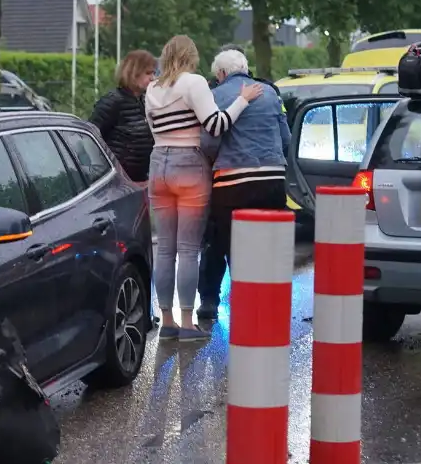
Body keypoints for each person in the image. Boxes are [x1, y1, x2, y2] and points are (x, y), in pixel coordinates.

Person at [145, 35, 263, 341]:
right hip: (189, 166)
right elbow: (217, 125)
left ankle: (166, 321)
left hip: (158, 166)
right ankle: (187, 323)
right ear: (191, 57)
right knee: (187, 250)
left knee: (165, 249)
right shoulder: (194, 83)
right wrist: (243, 99)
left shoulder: (151, 88)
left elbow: (154, 131)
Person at [198, 48, 290, 317]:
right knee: (268, 242)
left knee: (220, 239)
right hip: (273, 179)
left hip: (233, 182)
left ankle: (210, 301)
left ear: (222, 74)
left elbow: (208, 142)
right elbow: (286, 138)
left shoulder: (215, 96)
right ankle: (268, 300)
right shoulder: (272, 93)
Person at [89, 50, 157, 183]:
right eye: (148, 73)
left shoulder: (145, 101)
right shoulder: (113, 101)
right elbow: (90, 137)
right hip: (115, 181)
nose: (153, 78)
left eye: (154, 73)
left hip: (140, 179)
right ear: (133, 72)